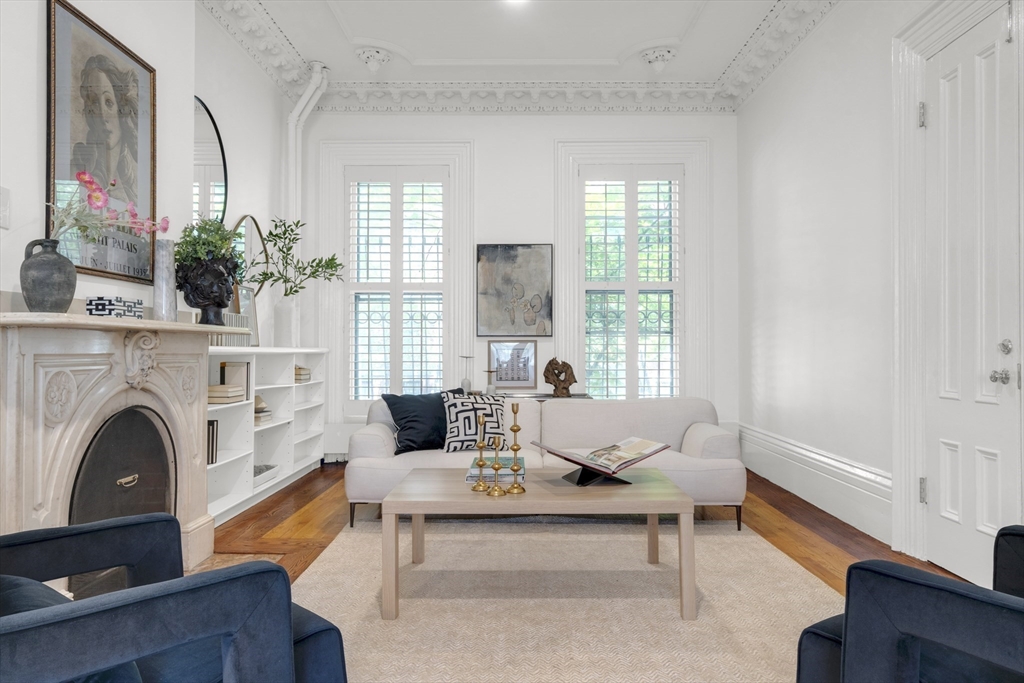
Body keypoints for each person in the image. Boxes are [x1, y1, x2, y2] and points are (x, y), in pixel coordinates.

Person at [71, 54, 139, 205]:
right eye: (94, 103)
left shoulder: (129, 190)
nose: (102, 115)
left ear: (121, 109)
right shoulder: (76, 172)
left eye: (108, 102)